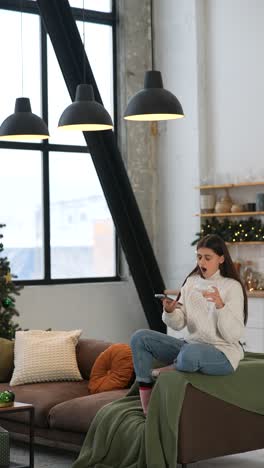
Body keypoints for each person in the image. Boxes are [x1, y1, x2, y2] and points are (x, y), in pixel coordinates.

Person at [130, 234, 248, 415]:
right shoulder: (191, 282)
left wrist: (220, 305)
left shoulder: (232, 287)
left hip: (222, 353)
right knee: (140, 337)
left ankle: (175, 366)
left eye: (208, 258)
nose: (202, 262)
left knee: (191, 353)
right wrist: (170, 311)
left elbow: (233, 336)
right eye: (199, 257)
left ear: (221, 259)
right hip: (189, 346)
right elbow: (179, 324)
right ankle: (147, 407)